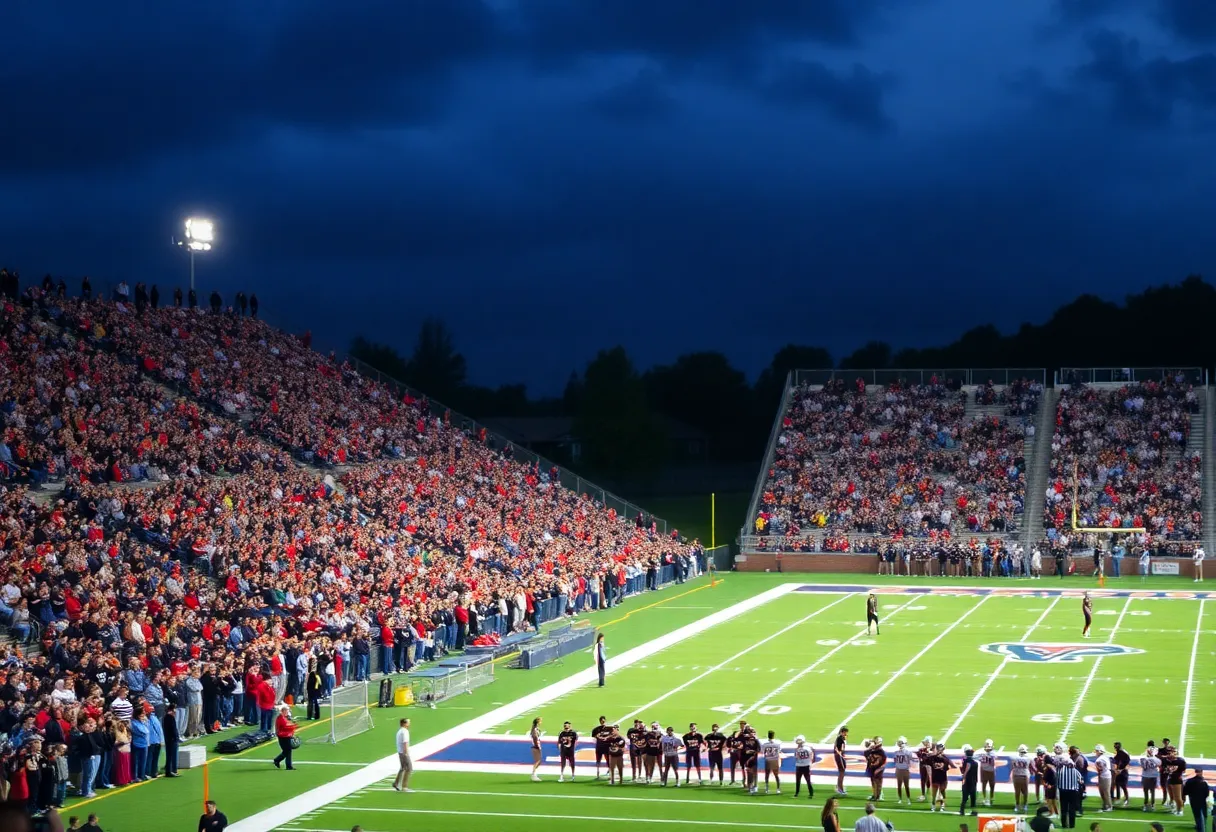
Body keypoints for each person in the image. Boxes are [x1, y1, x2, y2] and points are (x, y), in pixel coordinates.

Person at [1057, 755, 1083, 829]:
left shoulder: (1060, 771)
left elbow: (1057, 779)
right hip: (1073, 792)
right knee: (1072, 809)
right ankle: (1072, 825)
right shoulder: (1075, 771)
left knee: (1063, 809)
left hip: (1063, 791)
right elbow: (1081, 781)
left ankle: (1064, 824)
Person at [272, 705, 296, 770]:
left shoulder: (283, 718)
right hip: (283, 736)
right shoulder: (281, 718)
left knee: (286, 751)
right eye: (287, 711)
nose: (287, 712)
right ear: (283, 711)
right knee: (288, 750)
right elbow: (286, 726)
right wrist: (294, 726)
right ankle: (288, 765)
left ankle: (277, 760)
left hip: (285, 736)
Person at [393, 718, 413, 793]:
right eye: (408, 722)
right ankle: (404, 786)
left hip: (400, 752)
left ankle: (396, 783)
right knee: (409, 768)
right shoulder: (405, 732)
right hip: (404, 752)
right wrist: (406, 753)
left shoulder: (400, 731)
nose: (409, 724)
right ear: (404, 723)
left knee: (403, 768)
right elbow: (405, 743)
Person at [959, 744, 979, 816]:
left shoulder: (965, 761)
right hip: (973, 781)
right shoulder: (975, 763)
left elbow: (965, 769)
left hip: (967, 781)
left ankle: (962, 810)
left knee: (965, 797)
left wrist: (963, 777)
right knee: (973, 797)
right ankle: (973, 811)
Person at [794, 735, 815, 799]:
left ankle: (797, 793)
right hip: (806, 765)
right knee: (808, 780)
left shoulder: (797, 749)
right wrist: (810, 762)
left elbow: (796, 757)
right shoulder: (808, 748)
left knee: (798, 780)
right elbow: (811, 755)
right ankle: (811, 793)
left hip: (799, 765)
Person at [163, 703, 181, 777]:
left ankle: (172, 770)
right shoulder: (170, 718)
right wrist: (176, 737)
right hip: (171, 739)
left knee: (170, 755)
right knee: (171, 755)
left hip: (169, 739)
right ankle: (171, 770)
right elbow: (173, 729)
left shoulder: (167, 717)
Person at [834, 726, 850, 795]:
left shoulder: (841, 738)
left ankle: (840, 787)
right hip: (839, 756)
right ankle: (840, 788)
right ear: (842, 732)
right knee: (842, 772)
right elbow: (837, 748)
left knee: (842, 772)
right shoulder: (840, 739)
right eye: (845, 732)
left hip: (840, 756)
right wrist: (840, 754)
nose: (846, 734)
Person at [529, 717, 543, 782]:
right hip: (536, 746)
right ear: (537, 722)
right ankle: (533, 774)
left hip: (537, 746)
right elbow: (535, 738)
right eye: (540, 721)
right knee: (537, 761)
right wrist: (537, 746)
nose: (541, 722)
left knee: (539, 761)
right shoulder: (534, 730)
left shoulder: (536, 729)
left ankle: (534, 773)